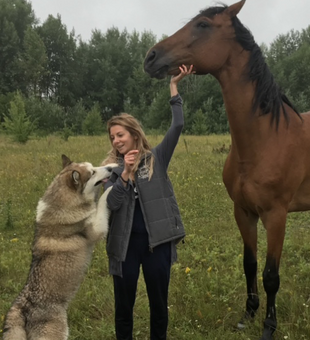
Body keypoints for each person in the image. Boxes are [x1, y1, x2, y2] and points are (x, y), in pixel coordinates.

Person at [102, 64, 194, 340]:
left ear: (133, 134)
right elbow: (111, 205)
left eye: (120, 135)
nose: (117, 141)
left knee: (158, 307)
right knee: (123, 308)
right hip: (125, 246)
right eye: (112, 137)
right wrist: (126, 174)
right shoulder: (110, 169)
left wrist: (174, 88)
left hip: (157, 245)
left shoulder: (157, 157)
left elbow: (177, 125)